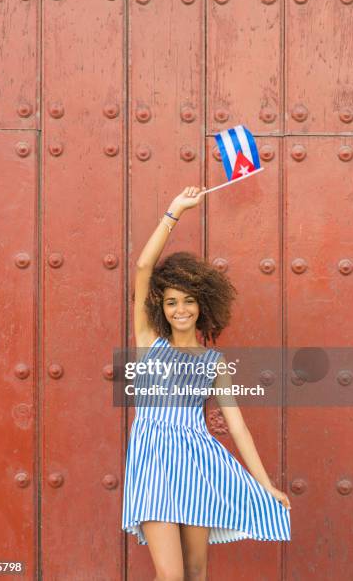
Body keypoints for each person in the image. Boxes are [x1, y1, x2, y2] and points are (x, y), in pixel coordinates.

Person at [122, 186, 291, 581]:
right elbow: (144, 269)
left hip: (198, 464)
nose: (180, 309)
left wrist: (265, 485)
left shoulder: (214, 363)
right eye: (171, 302)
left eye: (188, 301)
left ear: (201, 305)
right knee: (171, 576)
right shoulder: (148, 343)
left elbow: (238, 428)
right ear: (160, 309)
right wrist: (174, 212)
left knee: (197, 573)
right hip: (151, 463)